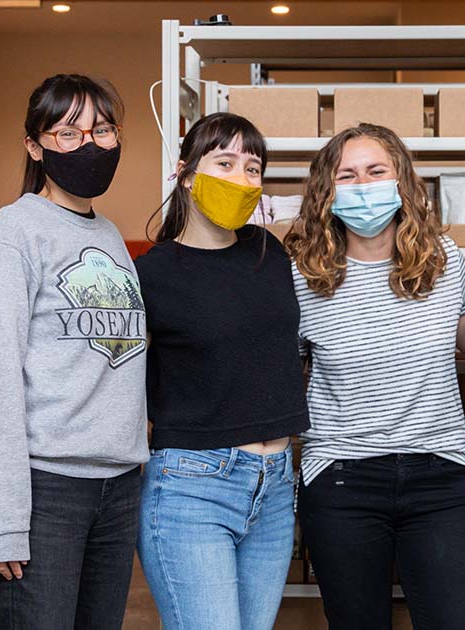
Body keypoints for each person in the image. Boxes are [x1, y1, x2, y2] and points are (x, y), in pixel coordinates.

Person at [284, 123, 465, 630]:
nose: (364, 185)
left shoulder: (444, 260)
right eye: (347, 176)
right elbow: (277, 377)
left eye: (377, 171)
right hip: (341, 479)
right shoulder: (301, 275)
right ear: (326, 193)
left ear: (403, 183)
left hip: (438, 474)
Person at [0, 74, 147, 629]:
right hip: (48, 489)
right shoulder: (9, 236)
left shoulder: (111, 234)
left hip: (117, 487)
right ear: (34, 146)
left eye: (103, 130)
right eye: (69, 133)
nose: (90, 144)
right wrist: (0, 522)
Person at [135, 112, 309, 630]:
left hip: (276, 485)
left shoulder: (269, 253)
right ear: (187, 173)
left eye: (253, 168)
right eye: (225, 162)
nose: (241, 178)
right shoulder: (151, 272)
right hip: (191, 486)